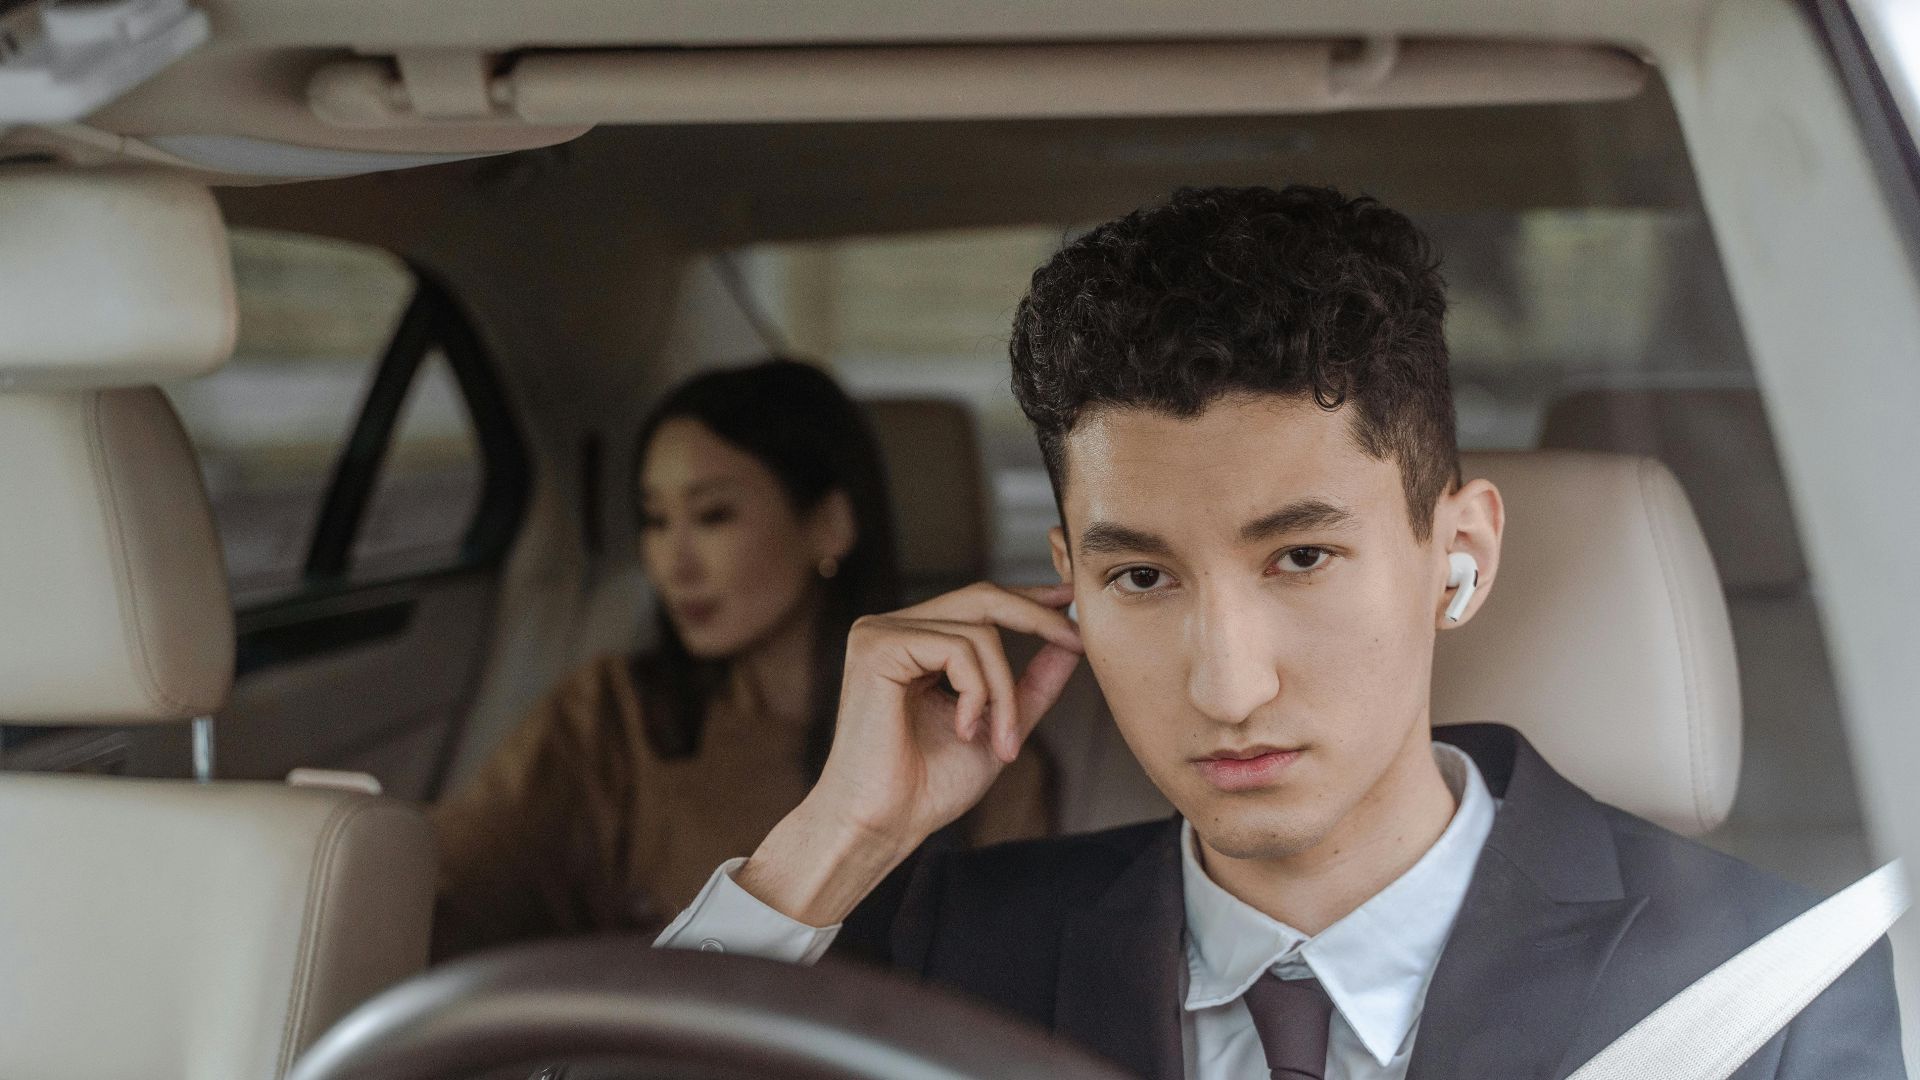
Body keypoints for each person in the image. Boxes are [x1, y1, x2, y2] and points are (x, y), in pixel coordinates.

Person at [656, 190, 1906, 1079]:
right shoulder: (945, 946)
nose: (1228, 683)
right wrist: (830, 844)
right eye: (1142, 576)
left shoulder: (1762, 995)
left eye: (1300, 557)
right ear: (1069, 592)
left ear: (1457, 552)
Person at [431, 359, 1055, 959]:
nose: (674, 564)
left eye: (713, 516)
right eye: (653, 520)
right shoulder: (613, 713)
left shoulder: (969, 744)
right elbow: (446, 886)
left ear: (829, 526)